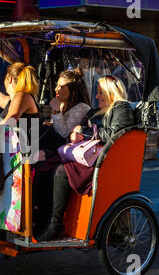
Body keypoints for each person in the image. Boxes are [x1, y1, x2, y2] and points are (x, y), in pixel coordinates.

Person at [37, 75, 135, 241]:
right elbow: (76, 134)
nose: (96, 97)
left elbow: (114, 134)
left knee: (61, 171)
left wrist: (83, 130)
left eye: (100, 93)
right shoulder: (94, 111)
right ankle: (41, 219)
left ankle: (55, 225)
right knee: (45, 164)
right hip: (85, 155)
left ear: (111, 92)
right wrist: (75, 135)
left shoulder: (121, 107)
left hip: (103, 161)